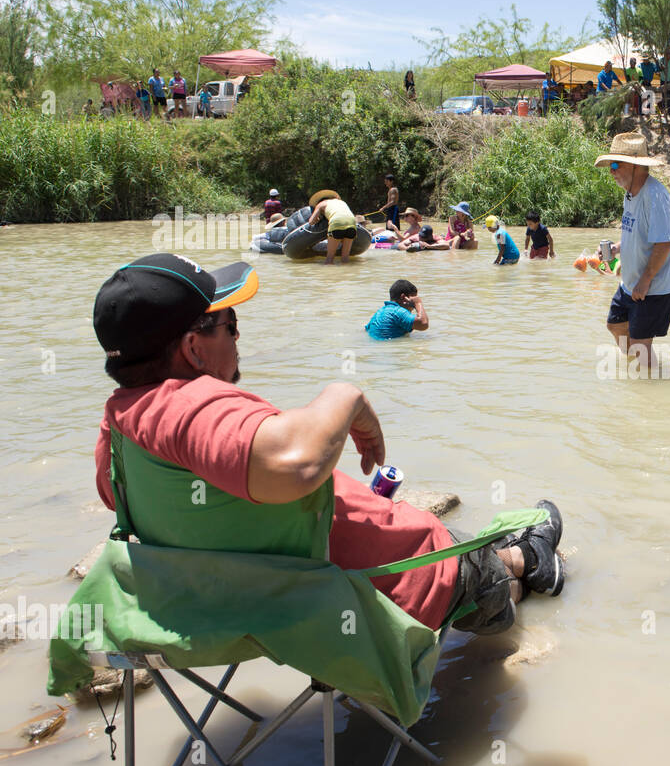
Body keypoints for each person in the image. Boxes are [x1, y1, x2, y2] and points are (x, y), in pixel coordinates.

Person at [91, 255, 565, 642]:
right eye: (229, 324)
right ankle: (529, 562)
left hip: (258, 597)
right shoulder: (186, 405)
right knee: (481, 570)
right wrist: (348, 395)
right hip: (397, 582)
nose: (238, 336)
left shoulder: (119, 427)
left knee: (463, 544)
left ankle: (516, 556)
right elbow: (296, 464)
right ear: (194, 349)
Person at [595, 133, 670, 374]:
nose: (611, 172)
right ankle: (637, 363)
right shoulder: (630, 194)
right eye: (610, 166)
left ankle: (649, 388)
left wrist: (645, 282)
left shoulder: (655, 196)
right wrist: (616, 247)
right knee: (615, 325)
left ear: (635, 166)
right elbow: (635, 232)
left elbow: (664, 243)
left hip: (655, 285)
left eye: (615, 165)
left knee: (641, 344)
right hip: (631, 282)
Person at [366, 279, 430, 340]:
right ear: (403, 297)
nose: (413, 306)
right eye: (413, 299)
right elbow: (423, 324)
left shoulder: (379, 312)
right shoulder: (398, 312)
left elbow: (366, 329)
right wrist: (418, 303)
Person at [307, 189, 357, 265]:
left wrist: (318, 219)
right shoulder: (342, 202)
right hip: (352, 223)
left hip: (336, 223)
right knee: (345, 258)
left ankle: (330, 275)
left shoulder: (321, 204)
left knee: (329, 259)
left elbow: (311, 222)